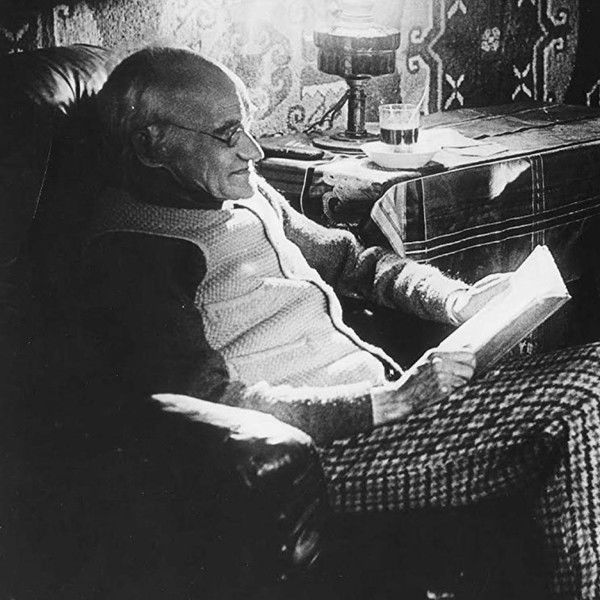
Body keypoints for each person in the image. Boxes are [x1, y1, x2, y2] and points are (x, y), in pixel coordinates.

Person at [84, 46, 600, 599]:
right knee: (585, 392)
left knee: (588, 381)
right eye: (229, 134)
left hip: (384, 406)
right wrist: (390, 402)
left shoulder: (242, 191)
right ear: (152, 144)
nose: (254, 150)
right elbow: (212, 403)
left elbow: (353, 263)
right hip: (319, 456)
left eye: (248, 126)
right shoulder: (132, 253)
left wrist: (457, 300)